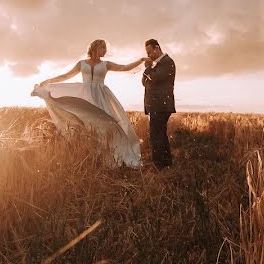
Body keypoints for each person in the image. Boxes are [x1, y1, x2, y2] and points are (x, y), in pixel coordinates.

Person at [31, 39, 146, 167]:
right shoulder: (81, 64)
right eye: (103, 48)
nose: (105, 51)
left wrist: (140, 61)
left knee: (106, 124)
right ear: (96, 48)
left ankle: (113, 156)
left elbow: (124, 67)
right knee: (88, 124)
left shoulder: (106, 64)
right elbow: (66, 76)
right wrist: (48, 81)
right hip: (85, 95)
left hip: (101, 96)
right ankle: (92, 156)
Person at [142, 39, 175, 168]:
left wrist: (149, 68)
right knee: (160, 134)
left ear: (157, 48)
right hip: (155, 105)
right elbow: (144, 82)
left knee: (156, 135)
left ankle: (158, 165)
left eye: (150, 52)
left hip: (161, 104)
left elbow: (155, 78)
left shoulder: (167, 62)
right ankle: (166, 163)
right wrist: (149, 69)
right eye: (147, 53)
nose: (148, 55)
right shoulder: (156, 64)